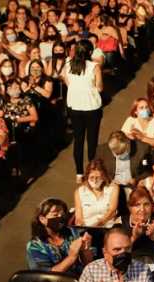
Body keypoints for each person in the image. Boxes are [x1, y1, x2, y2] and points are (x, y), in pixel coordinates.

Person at [62, 40, 104, 180]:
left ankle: (79, 173)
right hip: (92, 106)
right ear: (90, 52)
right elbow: (100, 87)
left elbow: (67, 81)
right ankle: (92, 171)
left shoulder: (68, 64)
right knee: (92, 140)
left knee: (78, 139)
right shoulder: (94, 66)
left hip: (74, 106)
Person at [26, 198, 93, 275]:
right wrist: (71, 257)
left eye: (63, 214)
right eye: (55, 214)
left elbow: (89, 264)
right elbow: (45, 276)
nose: (60, 217)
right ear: (42, 219)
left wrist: (86, 249)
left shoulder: (75, 233)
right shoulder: (35, 245)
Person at [74, 159, 120, 228]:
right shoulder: (79, 192)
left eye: (98, 178)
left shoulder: (113, 188)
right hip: (87, 228)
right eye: (92, 177)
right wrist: (80, 224)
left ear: (104, 177)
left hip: (108, 227)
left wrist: (100, 223)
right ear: (87, 177)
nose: (95, 181)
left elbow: (112, 211)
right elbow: (79, 217)